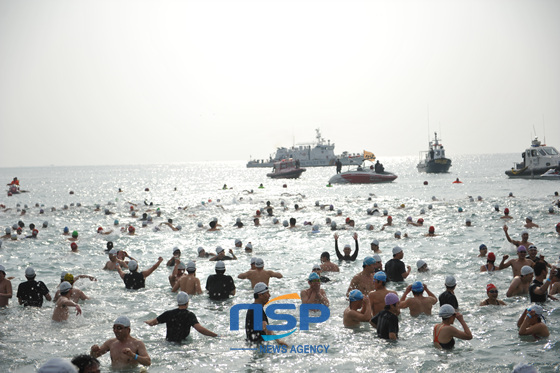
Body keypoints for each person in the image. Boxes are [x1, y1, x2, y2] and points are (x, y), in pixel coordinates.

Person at [145, 291, 217, 342]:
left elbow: (152, 323)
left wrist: (146, 321)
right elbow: (200, 329)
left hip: (169, 343)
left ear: (178, 302)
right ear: (187, 302)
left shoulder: (168, 314)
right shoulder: (189, 315)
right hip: (183, 344)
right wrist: (215, 335)